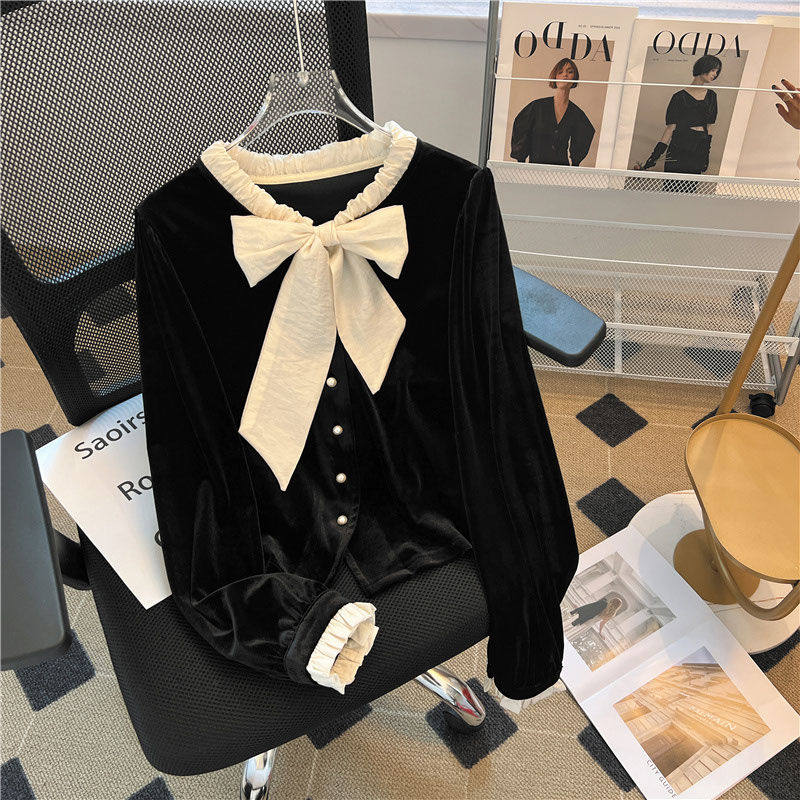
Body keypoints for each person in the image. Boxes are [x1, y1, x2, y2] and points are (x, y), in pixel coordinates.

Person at [634, 54, 722, 175]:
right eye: (713, 70)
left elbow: (709, 127)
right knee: (671, 185)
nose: (715, 74)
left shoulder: (712, 96)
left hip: (698, 149)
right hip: (678, 148)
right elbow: (670, 129)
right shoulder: (678, 97)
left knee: (691, 186)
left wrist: (706, 153)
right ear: (703, 68)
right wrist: (654, 157)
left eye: (717, 71)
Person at [510, 57, 595, 166]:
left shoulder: (576, 114)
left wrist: (575, 163)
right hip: (535, 168)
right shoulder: (537, 107)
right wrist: (521, 161)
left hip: (561, 170)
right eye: (560, 72)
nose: (565, 75)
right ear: (554, 76)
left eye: (570, 72)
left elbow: (586, 133)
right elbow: (520, 128)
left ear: (575, 77)